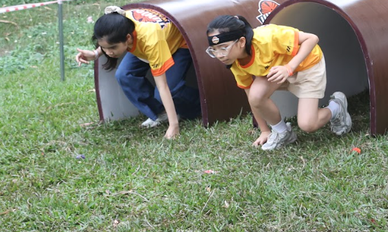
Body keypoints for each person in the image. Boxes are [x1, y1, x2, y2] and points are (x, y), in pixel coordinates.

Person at [205, 15, 351, 150]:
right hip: (277, 73)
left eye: (224, 48)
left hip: (307, 66)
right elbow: (251, 97)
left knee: (308, 124)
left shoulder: (267, 37)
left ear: (242, 41)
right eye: (214, 50)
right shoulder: (234, 62)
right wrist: (264, 130)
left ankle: (336, 108)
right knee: (256, 95)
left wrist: (289, 68)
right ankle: (283, 132)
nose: (219, 55)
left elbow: (312, 39)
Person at [75, 8, 201, 139]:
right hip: (145, 44)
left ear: (128, 37)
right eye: (104, 48)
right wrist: (96, 53)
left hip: (175, 45)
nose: (109, 53)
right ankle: (160, 112)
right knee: (124, 75)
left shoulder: (151, 40)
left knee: (165, 91)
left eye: (112, 48)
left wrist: (173, 125)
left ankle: (199, 104)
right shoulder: (120, 21)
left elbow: (163, 86)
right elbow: (109, 40)